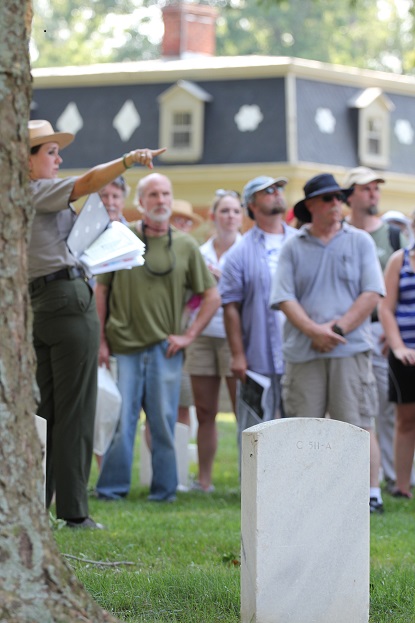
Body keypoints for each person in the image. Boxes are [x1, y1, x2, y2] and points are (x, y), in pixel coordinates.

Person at [28, 118, 163, 528]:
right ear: (25, 158)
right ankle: (74, 512)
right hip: (67, 300)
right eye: (50, 152)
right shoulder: (35, 188)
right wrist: (127, 160)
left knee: (47, 409)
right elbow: (86, 183)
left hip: (36, 302)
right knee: (77, 408)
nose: (58, 158)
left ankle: (40, 504)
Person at [95, 173, 220, 502]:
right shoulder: (120, 238)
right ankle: (111, 490)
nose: (161, 200)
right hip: (123, 347)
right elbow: (101, 292)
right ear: (141, 202)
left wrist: (189, 336)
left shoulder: (186, 245)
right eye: (153, 194)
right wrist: (101, 341)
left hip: (166, 350)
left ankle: (164, 492)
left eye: (165, 194)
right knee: (122, 423)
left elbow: (211, 295)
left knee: (164, 422)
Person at [270, 173, 386, 514]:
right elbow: (284, 297)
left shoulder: (360, 241)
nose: (337, 203)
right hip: (304, 351)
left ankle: (369, 495)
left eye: (339, 197)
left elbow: (372, 293)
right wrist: (312, 332)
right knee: (303, 427)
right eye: (328, 198)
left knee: (358, 423)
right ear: (310, 206)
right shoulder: (292, 246)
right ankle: (307, 495)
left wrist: (335, 329)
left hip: (349, 350)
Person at [343, 166, 410, 494]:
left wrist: (391, 332)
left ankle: (391, 477)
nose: (373, 194)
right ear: (350, 195)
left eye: (376, 188)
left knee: (387, 408)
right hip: (345, 334)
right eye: (365, 188)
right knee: (353, 407)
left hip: (382, 336)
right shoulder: (337, 232)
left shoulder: (394, 237)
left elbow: (396, 294)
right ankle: (355, 476)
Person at [219, 176, 297, 456]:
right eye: (268, 191)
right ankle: (255, 489)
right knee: (255, 425)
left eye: (279, 189)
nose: (277, 194)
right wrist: (238, 354)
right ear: (251, 203)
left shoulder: (300, 242)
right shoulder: (239, 253)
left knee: (298, 425)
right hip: (258, 355)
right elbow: (230, 307)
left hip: (298, 352)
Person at [185, 190, 243, 491]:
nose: (230, 217)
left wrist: (223, 278)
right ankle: (204, 480)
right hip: (203, 336)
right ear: (213, 216)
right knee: (205, 411)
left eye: (235, 211)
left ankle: (248, 480)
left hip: (237, 338)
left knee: (240, 411)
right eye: (224, 211)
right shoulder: (199, 251)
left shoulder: (248, 250)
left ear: (242, 217)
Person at [378, 212, 415, 498]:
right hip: (404, 354)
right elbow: (385, 307)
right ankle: (402, 487)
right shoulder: (399, 260)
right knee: (405, 419)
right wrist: (398, 345)